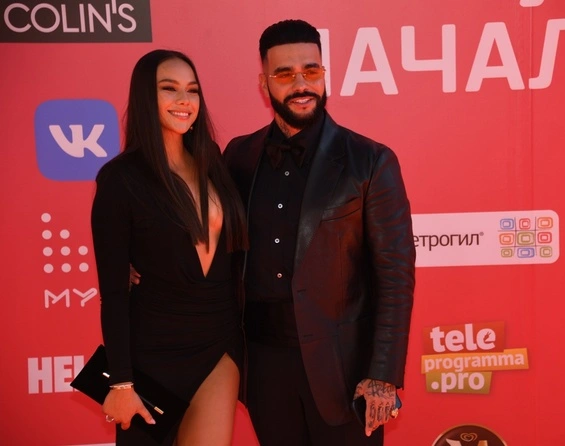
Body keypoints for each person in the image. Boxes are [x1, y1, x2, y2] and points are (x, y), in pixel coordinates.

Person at [223, 19, 415, 446]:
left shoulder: (370, 160)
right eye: (284, 74)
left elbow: (395, 276)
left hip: (344, 370)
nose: (301, 84)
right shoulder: (238, 156)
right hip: (263, 368)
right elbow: (214, 240)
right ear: (264, 84)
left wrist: (382, 375)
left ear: (324, 74)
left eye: (311, 71)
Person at [90, 49, 247, 446]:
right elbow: (114, 293)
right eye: (169, 88)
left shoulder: (213, 162)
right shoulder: (120, 179)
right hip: (152, 352)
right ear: (145, 95)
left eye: (192, 90)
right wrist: (121, 382)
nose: (184, 100)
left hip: (219, 342)